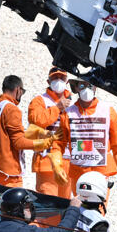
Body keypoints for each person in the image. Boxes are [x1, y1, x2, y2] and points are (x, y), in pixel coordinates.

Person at [51, 80, 117, 197]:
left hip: (102, 171)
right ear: (76, 88)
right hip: (78, 171)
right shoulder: (68, 113)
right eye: (82, 85)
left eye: (90, 85)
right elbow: (58, 144)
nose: (87, 89)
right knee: (80, 208)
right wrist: (57, 165)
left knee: (99, 209)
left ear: (95, 87)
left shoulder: (108, 110)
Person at [0, 74, 56, 187]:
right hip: (9, 174)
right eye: (23, 91)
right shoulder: (12, 109)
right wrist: (42, 144)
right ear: (18, 89)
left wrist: (36, 133)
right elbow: (18, 142)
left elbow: (2, 134)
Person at [28, 66, 73, 197]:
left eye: (61, 78)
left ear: (67, 81)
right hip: (46, 160)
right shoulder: (39, 101)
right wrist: (57, 108)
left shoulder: (73, 103)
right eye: (54, 78)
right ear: (48, 82)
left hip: (67, 161)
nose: (58, 80)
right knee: (48, 204)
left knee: (65, 206)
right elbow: (37, 120)